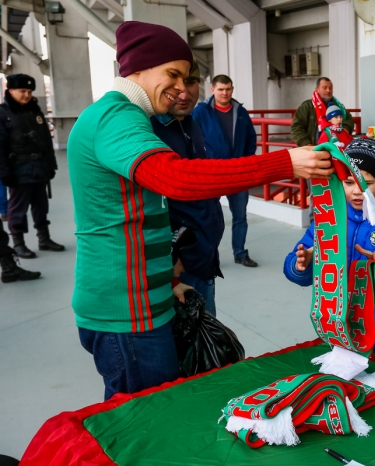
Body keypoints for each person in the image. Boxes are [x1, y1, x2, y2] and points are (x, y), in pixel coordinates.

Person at [68, 21, 333, 400]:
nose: (181, 87)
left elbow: (139, 217)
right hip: (126, 313)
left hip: (145, 299)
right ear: (136, 69)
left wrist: (169, 281)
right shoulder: (115, 117)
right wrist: (282, 164)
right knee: (151, 420)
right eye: (171, 74)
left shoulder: (130, 118)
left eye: (187, 76)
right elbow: (173, 178)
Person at [284, 138, 375, 365]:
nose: (357, 192)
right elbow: (295, 267)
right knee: (344, 395)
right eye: (349, 182)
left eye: (367, 183)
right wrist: (303, 263)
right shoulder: (328, 219)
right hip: (338, 331)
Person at [151, 61, 223, 315]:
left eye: (191, 82)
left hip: (203, 256)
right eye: (174, 81)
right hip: (176, 266)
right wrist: (169, 258)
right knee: (187, 348)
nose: (183, 92)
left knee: (208, 343)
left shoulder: (191, 123)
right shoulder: (148, 130)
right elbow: (146, 204)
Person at [192, 75, 258, 267]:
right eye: (221, 89)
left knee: (240, 217)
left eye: (228, 89)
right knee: (210, 216)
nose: (225, 93)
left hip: (238, 173)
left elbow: (250, 140)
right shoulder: (201, 112)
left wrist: (245, 162)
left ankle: (240, 253)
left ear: (232, 89)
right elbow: (193, 139)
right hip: (212, 172)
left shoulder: (241, 112)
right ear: (212, 89)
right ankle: (209, 255)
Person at [0, 74, 64, 259]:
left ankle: (44, 239)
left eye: (29, 91)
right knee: (18, 209)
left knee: (41, 206)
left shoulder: (35, 111)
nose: (27, 95)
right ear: (10, 90)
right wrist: (5, 173)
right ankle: (19, 244)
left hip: (39, 167)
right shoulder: (3, 114)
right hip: (18, 169)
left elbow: (46, 141)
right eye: (22, 91)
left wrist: (51, 165)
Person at [290, 77, 355, 147]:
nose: (328, 90)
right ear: (317, 89)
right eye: (324, 88)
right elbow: (296, 127)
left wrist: (344, 130)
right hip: (314, 147)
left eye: (330, 88)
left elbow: (349, 119)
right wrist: (306, 144)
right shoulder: (307, 106)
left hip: (337, 146)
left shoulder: (338, 106)